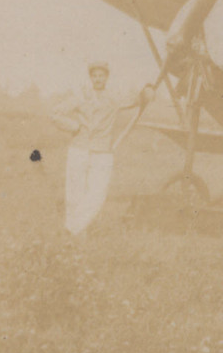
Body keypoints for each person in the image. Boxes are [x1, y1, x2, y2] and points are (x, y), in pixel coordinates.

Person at [51, 61, 154, 236]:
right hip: (79, 149)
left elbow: (136, 100)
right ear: (90, 78)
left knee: (97, 194)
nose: (98, 79)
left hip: (102, 152)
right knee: (74, 194)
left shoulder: (114, 98)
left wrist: (148, 91)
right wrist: (73, 126)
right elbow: (55, 113)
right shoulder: (81, 96)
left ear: (107, 77)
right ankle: (76, 236)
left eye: (101, 76)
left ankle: (71, 229)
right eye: (95, 76)